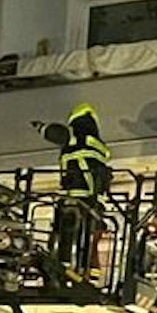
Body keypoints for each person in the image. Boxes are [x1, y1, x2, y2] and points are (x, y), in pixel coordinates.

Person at [52, 103, 111, 281]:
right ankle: (91, 272)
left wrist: (42, 127)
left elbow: (54, 134)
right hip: (96, 201)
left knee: (65, 233)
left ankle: (63, 269)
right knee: (91, 240)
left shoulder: (76, 139)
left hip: (77, 197)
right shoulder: (99, 146)